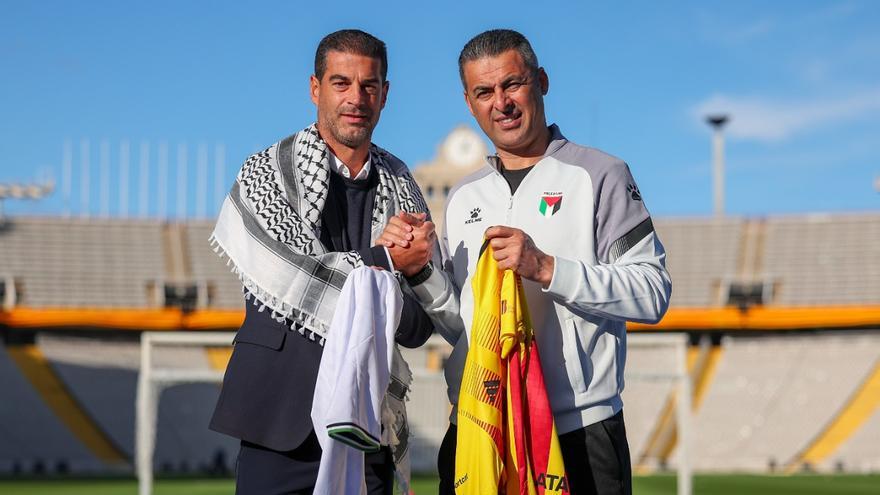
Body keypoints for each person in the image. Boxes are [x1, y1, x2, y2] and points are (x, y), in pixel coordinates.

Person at [379, 29, 672, 495]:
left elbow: (653, 293)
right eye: (484, 92)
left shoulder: (600, 174)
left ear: (542, 81)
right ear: (469, 102)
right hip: (480, 424)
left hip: (578, 430)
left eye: (512, 84)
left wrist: (547, 268)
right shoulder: (463, 197)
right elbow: (465, 325)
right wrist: (419, 272)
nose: (502, 103)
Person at [209, 29, 435, 495]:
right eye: (341, 83)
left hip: (366, 421)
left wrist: (406, 272)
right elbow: (291, 277)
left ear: (385, 94)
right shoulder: (265, 173)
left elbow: (417, 325)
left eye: (369, 85)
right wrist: (387, 263)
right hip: (277, 421)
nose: (356, 98)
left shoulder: (405, 187)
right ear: (315, 88)